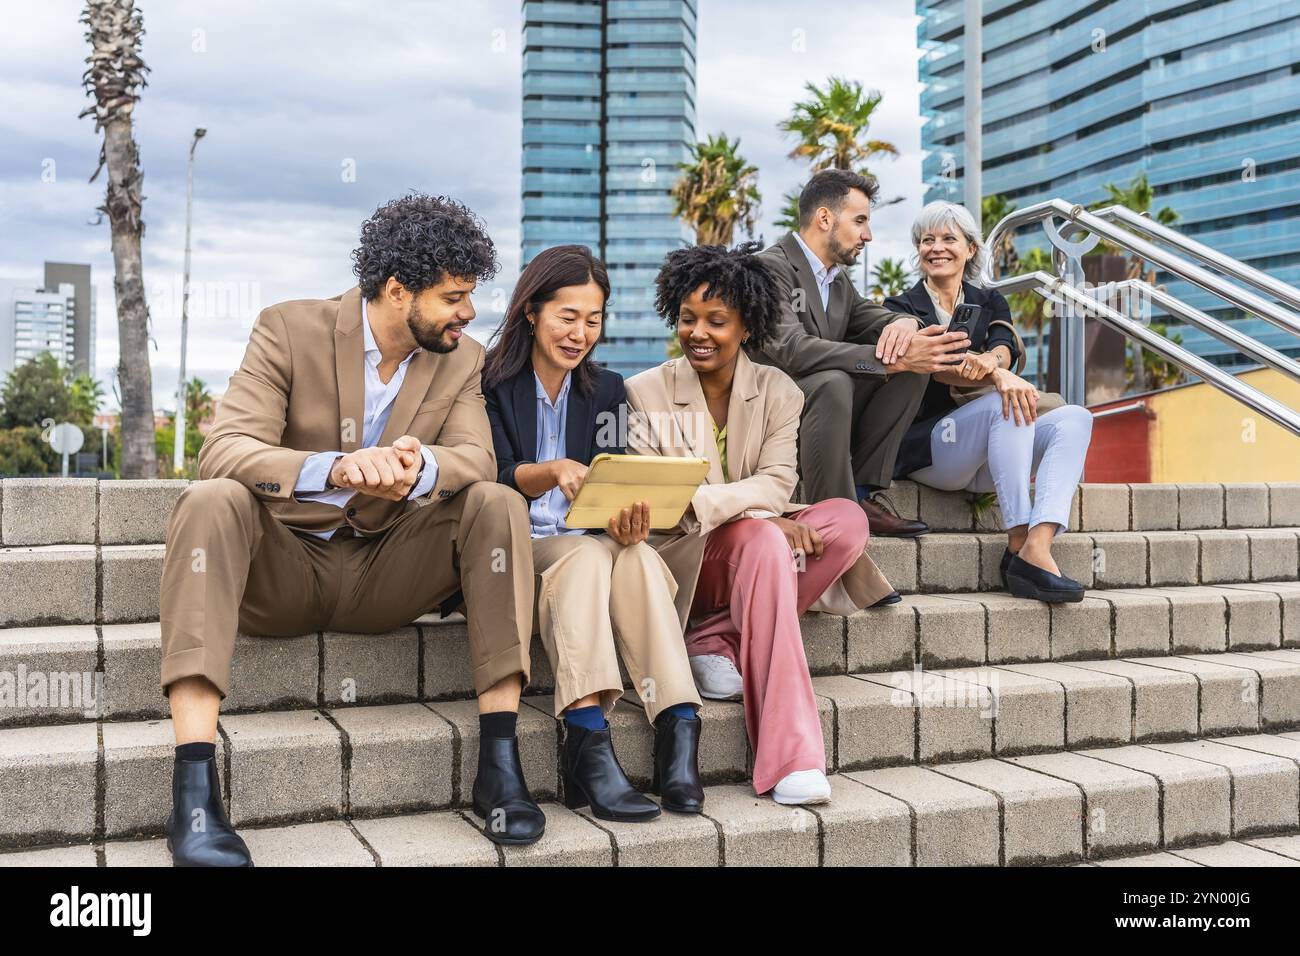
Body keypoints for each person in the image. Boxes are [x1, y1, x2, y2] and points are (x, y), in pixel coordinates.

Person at [160, 194, 545, 865]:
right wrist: (334, 468)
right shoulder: (287, 328)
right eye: (454, 297)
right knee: (210, 498)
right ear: (398, 291)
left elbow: (476, 459)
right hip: (283, 571)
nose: (469, 314)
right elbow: (225, 449)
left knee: (497, 502)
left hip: (386, 575)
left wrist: (419, 466)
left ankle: (500, 767)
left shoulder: (462, 359)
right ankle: (194, 789)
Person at [625, 243, 895, 806]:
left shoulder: (779, 391)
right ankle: (793, 754)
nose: (698, 333)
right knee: (764, 538)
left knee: (845, 520)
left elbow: (778, 480)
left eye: (716, 322)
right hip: (683, 555)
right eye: (687, 318)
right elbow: (663, 500)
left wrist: (762, 512)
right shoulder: (643, 392)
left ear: (747, 326)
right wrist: (760, 515)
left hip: (751, 548)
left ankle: (716, 640)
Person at [483, 245, 704, 820]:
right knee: (585, 557)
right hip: (512, 549)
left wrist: (628, 522)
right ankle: (587, 740)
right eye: (568, 316)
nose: (581, 333)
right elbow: (495, 475)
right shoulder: (489, 384)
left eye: (594, 319)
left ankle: (678, 727)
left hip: (587, 545)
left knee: (632, 557)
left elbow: (609, 481)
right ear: (531, 312)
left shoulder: (606, 391)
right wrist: (553, 471)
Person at [885, 200, 1094, 602]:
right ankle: (1016, 533)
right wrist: (997, 375)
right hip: (933, 450)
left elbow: (1004, 345)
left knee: (1076, 418)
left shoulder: (989, 300)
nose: (936, 247)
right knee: (1005, 400)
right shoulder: (901, 307)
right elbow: (935, 366)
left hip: (993, 453)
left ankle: (1036, 545)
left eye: (949, 238)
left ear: (971, 249)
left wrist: (994, 362)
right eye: (927, 240)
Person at [756, 168, 971, 536]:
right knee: (836, 380)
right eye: (860, 221)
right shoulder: (769, 267)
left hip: (824, 414)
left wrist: (905, 325)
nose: (867, 235)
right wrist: (886, 360)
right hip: (770, 412)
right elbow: (790, 348)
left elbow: (872, 317)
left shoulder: (836, 282)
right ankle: (836, 522)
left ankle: (860, 492)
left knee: (910, 367)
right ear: (825, 218)